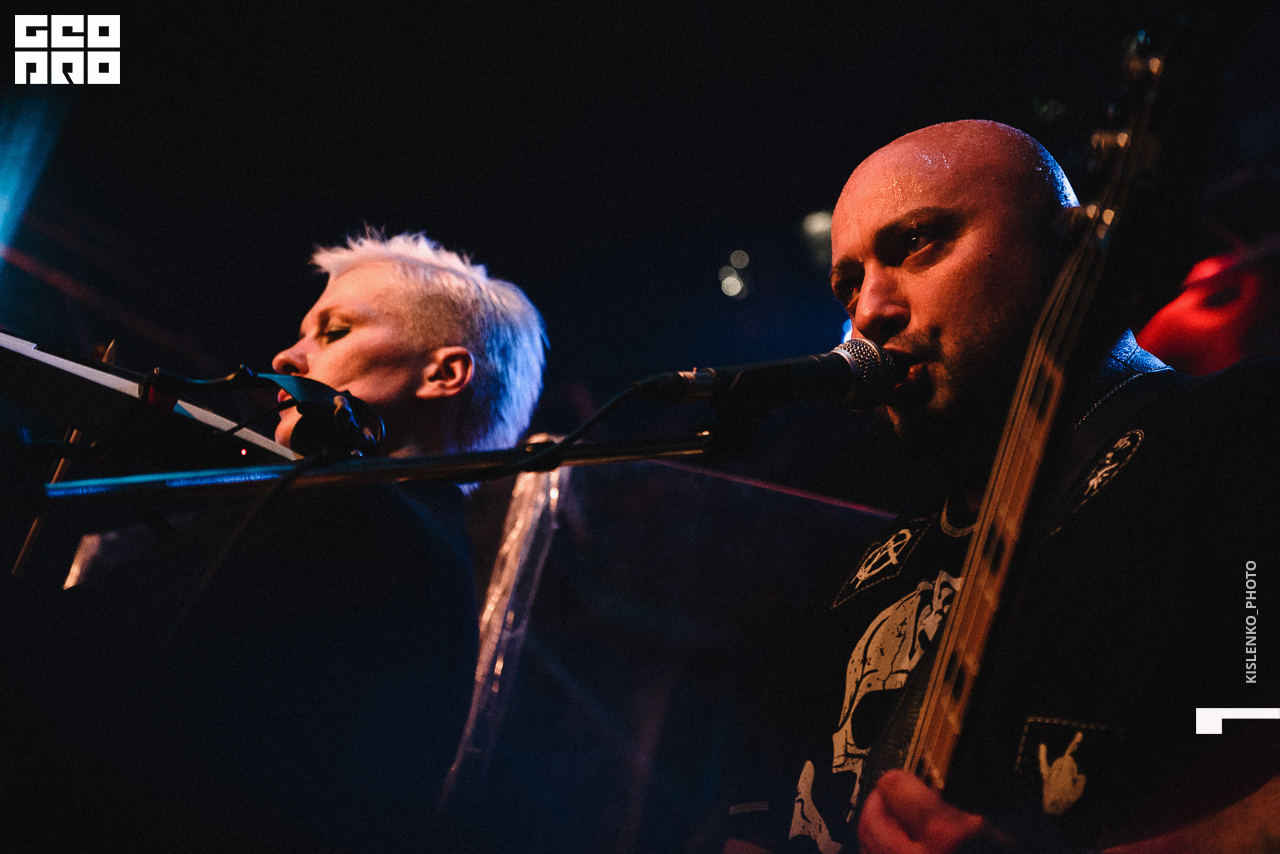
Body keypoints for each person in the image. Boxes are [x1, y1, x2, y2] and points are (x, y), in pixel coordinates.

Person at [720, 121, 1280, 853]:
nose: (868, 312)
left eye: (916, 243)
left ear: (1070, 249)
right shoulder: (851, 588)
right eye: (848, 285)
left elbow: (1251, 722)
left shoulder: (1238, 433)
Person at [0, 230, 546, 851]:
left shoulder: (347, 509)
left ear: (444, 373)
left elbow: (85, 665)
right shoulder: (432, 558)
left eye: (334, 331)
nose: (287, 358)